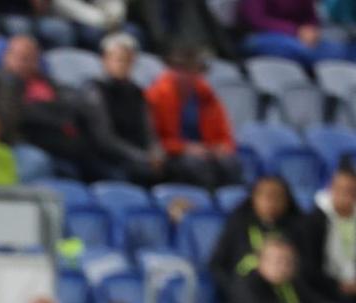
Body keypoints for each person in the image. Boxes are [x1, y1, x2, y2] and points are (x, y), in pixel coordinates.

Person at [0, 34, 101, 181]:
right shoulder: (0, 82)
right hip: (22, 141)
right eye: (21, 57)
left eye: (32, 58)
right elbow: (20, 114)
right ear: (6, 58)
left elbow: (70, 108)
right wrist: (50, 111)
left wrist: (40, 109)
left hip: (62, 142)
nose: (26, 63)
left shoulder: (48, 82)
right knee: (37, 161)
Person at [145, 46, 240, 190]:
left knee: (231, 162)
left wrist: (222, 147)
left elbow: (224, 133)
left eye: (193, 70)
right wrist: (184, 148)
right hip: (174, 153)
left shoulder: (207, 96)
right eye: (182, 70)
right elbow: (153, 140)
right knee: (196, 165)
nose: (188, 75)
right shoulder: (156, 96)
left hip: (206, 150)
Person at [84, 33, 164, 187]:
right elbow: (105, 138)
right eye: (119, 59)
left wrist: (156, 152)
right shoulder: (95, 90)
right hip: (107, 158)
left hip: (138, 157)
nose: (124, 65)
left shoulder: (137, 92)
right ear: (105, 60)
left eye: (129, 61)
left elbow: (149, 130)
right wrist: (142, 157)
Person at [210, 175, 304, 298]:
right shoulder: (238, 223)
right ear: (253, 198)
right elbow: (217, 265)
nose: (271, 202)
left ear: (287, 201)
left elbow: (306, 267)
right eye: (265, 196)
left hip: (288, 294)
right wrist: (235, 290)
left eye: (277, 196)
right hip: (245, 295)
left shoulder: (298, 227)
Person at [300, 164, 356, 303]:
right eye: (340, 189)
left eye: (351, 190)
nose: (346, 195)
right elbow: (309, 269)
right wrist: (340, 285)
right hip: (328, 289)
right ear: (331, 189)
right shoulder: (314, 221)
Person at [239, 0, 352, 67]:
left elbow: (310, 17)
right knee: (302, 50)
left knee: (343, 50)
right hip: (259, 36)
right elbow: (256, 19)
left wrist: (311, 29)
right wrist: (296, 31)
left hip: (299, 37)